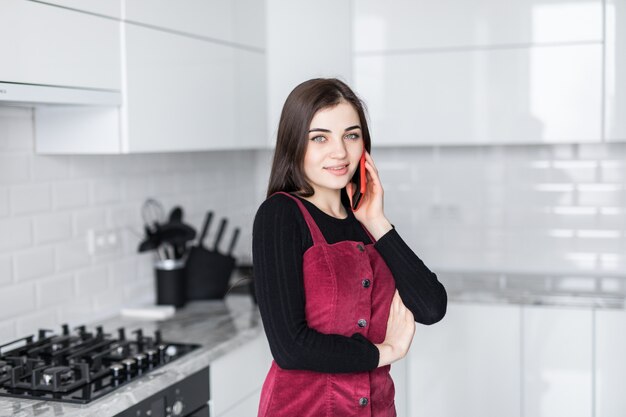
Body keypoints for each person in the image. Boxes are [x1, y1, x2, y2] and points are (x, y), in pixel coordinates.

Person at [253, 78, 447, 417]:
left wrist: (377, 221)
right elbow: (290, 347)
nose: (339, 152)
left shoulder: (366, 222)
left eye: (351, 135)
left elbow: (431, 308)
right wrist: (385, 352)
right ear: (294, 144)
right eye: (320, 138)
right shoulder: (280, 214)